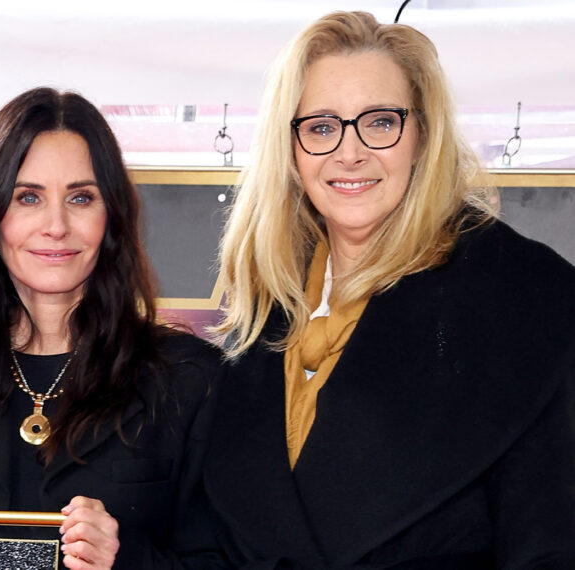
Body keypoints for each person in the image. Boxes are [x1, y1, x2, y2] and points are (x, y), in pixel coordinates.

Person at [205, 10, 575, 568]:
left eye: (379, 122)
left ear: (423, 134)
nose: (348, 153)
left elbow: (549, 545)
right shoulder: (262, 304)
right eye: (322, 127)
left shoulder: (533, 302)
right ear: (292, 148)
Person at [0, 87, 224, 569]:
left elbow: (226, 560)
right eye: (28, 197)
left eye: (80, 197)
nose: (56, 225)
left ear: (111, 217)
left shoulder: (186, 376)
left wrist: (125, 559)